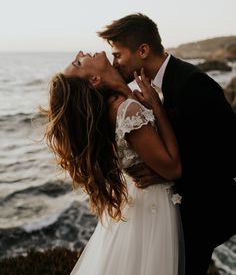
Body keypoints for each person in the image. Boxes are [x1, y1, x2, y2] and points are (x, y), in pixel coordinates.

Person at [97, 13, 236, 275]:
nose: (114, 63)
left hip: (206, 211)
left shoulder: (191, 84)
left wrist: (164, 173)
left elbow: (227, 153)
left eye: (117, 54)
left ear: (143, 50)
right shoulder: (149, 86)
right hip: (177, 211)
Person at [42, 51, 185, 275]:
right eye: (79, 62)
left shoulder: (119, 105)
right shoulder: (126, 110)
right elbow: (173, 168)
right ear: (94, 80)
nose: (81, 53)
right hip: (152, 207)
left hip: (139, 201)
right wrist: (157, 107)